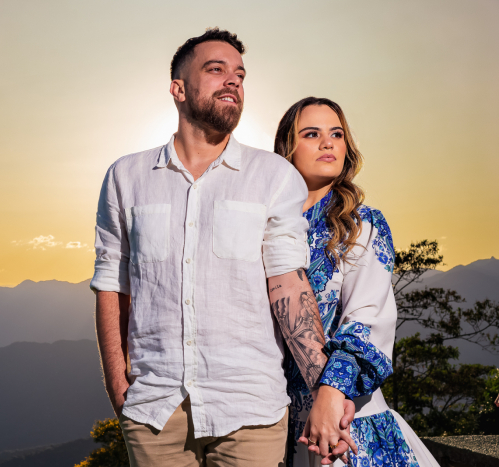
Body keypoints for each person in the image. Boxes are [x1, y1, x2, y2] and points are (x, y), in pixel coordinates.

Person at [90, 28, 356, 467]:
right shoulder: (125, 177)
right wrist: (119, 386)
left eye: (240, 74)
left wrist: (324, 387)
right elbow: (111, 285)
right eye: (216, 70)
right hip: (155, 412)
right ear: (178, 88)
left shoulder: (273, 176)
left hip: (251, 412)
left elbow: (289, 286)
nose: (232, 80)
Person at [274, 97, 440, 467]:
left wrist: (332, 394)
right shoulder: (267, 228)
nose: (328, 142)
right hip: (276, 427)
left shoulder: (361, 224)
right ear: (287, 148)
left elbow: (366, 317)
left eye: (336, 134)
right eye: (311, 134)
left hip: (350, 420)